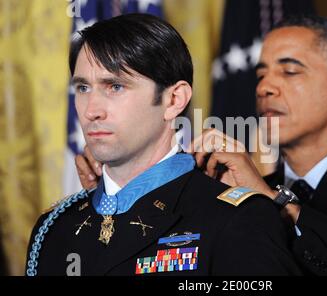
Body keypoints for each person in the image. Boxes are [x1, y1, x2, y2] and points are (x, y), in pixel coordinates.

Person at [76, 15, 327, 276]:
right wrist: (118, 190)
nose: (264, 87)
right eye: (260, 74)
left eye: (289, 71)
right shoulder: (236, 190)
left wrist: (277, 204)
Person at [25, 14, 301, 276]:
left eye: (115, 87)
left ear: (174, 100)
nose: (91, 111)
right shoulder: (54, 228)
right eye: (83, 88)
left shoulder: (237, 218)